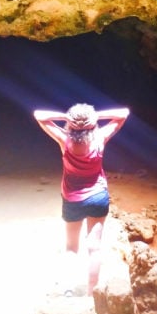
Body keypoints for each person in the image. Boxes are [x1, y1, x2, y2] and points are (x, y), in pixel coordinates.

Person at [33, 104, 130, 294]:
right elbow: (123, 114)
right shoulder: (100, 138)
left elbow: (39, 115)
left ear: (71, 125)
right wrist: (94, 117)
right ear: (92, 124)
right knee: (95, 248)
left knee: (71, 248)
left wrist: (68, 118)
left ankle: (68, 289)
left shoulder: (64, 140)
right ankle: (92, 292)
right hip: (98, 197)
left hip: (72, 200)